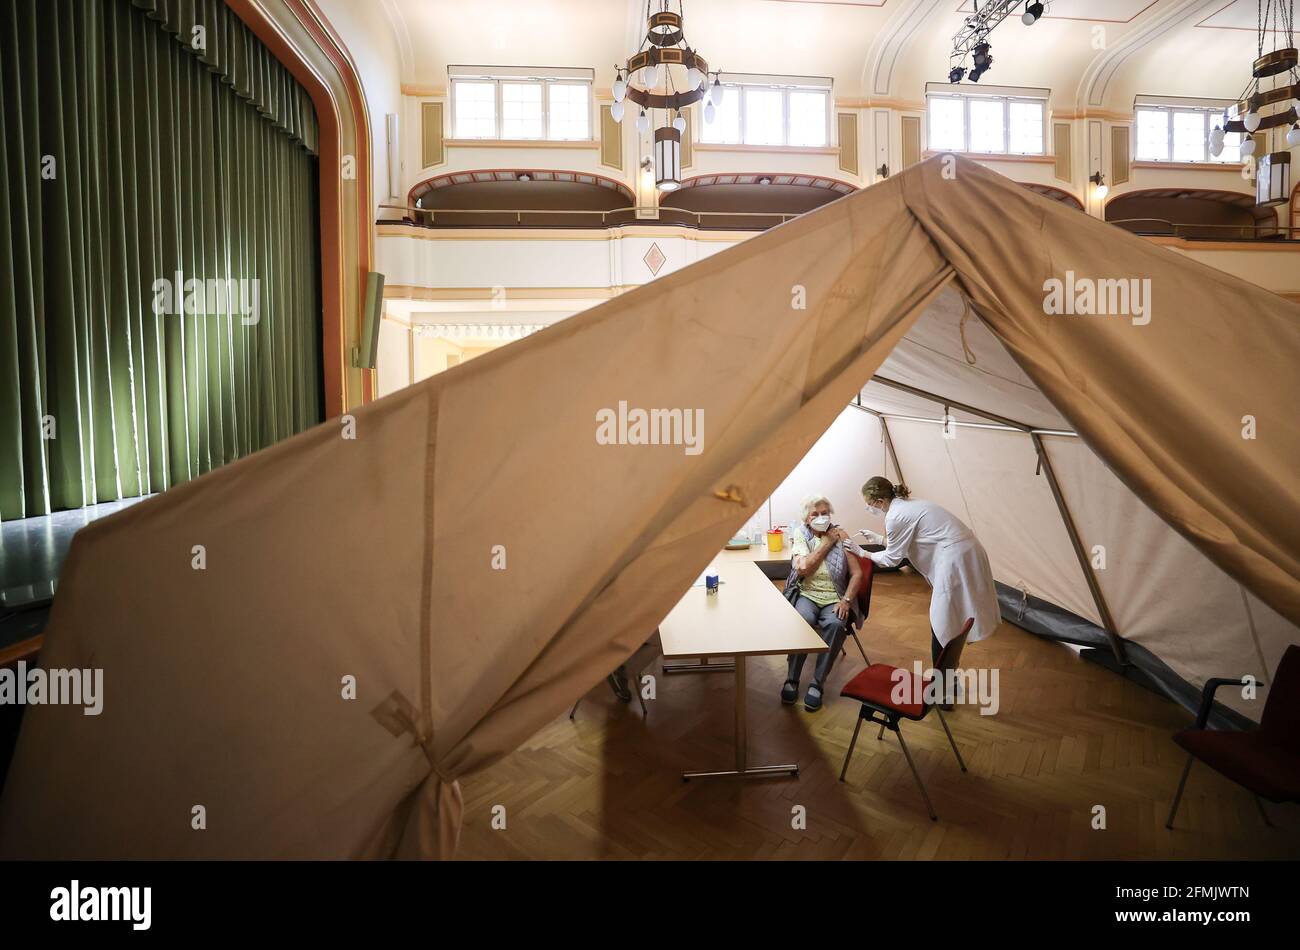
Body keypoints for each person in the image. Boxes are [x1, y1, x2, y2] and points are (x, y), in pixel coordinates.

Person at [856, 476, 1000, 708]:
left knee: (942, 622)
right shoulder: (907, 504)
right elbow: (909, 542)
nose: (869, 508)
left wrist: (862, 552)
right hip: (966, 552)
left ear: (880, 501)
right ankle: (948, 683)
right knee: (952, 621)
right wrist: (880, 540)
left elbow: (893, 559)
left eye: (869, 504)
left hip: (956, 560)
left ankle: (942, 692)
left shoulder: (895, 515)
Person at [781, 494, 863, 712]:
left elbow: (857, 574)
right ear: (807, 520)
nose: (820, 517)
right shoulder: (800, 534)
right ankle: (792, 678)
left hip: (835, 598)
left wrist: (846, 600)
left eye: (825, 513)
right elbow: (804, 568)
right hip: (806, 594)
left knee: (836, 625)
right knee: (802, 621)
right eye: (815, 514)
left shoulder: (842, 534)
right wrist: (827, 543)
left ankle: (818, 683)